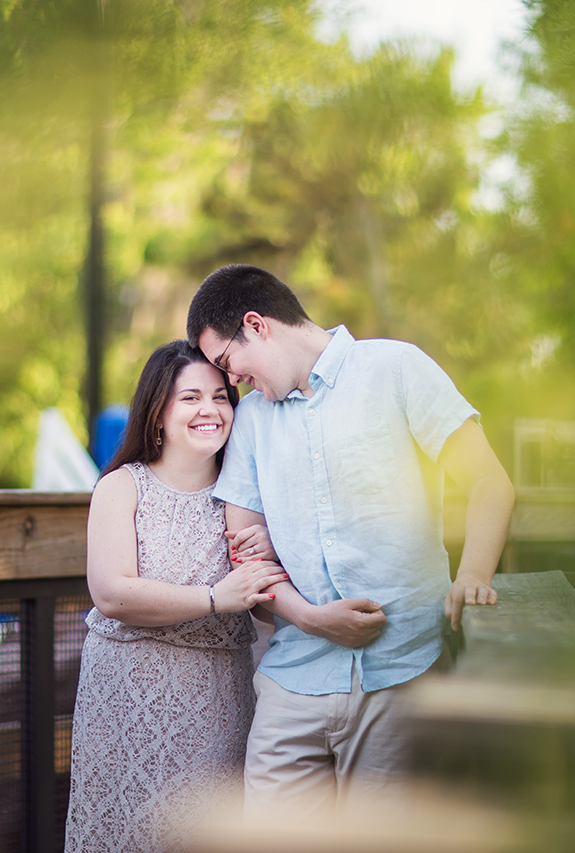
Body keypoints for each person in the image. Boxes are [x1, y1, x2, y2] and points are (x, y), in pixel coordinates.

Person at [187, 264, 516, 814]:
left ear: (257, 324)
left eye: (228, 362)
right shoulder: (250, 421)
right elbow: (243, 550)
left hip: (401, 676)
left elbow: (489, 481)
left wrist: (474, 576)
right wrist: (313, 619)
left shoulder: (397, 368)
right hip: (291, 683)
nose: (233, 380)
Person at [63, 340, 286, 853]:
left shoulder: (247, 495)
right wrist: (215, 597)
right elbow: (113, 593)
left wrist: (276, 546)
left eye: (221, 397)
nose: (209, 410)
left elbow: (271, 602)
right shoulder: (122, 487)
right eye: (190, 398)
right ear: (158, 412)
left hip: (217, 698)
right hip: (124, 699)